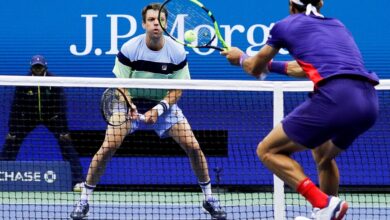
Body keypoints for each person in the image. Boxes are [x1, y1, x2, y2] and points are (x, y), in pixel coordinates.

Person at [221, 0, 379, 219]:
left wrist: (240, 58)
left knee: (267, 150)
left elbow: (253, 67)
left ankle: (323, 202)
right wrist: (271, 66)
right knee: (323, 155)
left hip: (336, 97)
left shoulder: (285, 25)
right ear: (320, 4)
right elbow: (302, 68)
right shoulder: (337, 25)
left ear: (291, 6)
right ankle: (324, 213)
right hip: (368, 102)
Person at [70, 3, 226, 220]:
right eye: (151, 20)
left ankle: (209, 199)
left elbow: (177, 89)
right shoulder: (130, 48)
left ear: (165, 23)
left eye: (160, 20)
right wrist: (130, 104)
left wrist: (159, 108)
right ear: (144, 23)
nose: (156, 23)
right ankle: (84, 200)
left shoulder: (177, 52)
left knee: (193, 146)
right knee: (108, 147)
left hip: (162, 102)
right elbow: (121, 85)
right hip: (129, 101)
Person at [0, 55, 84, 189]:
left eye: (40, 66)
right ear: (31, 67)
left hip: (52, 118)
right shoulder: (24, 82)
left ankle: (78, 181)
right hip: (28, 118)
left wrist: (63, 130)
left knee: (66, 144)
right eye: (35, 66)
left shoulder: (53, 81)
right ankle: (1, 176)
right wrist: (12, 130)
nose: (38, 69)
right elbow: (16, 106)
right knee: (11, 142)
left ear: (45, 66)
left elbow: (61, 105)